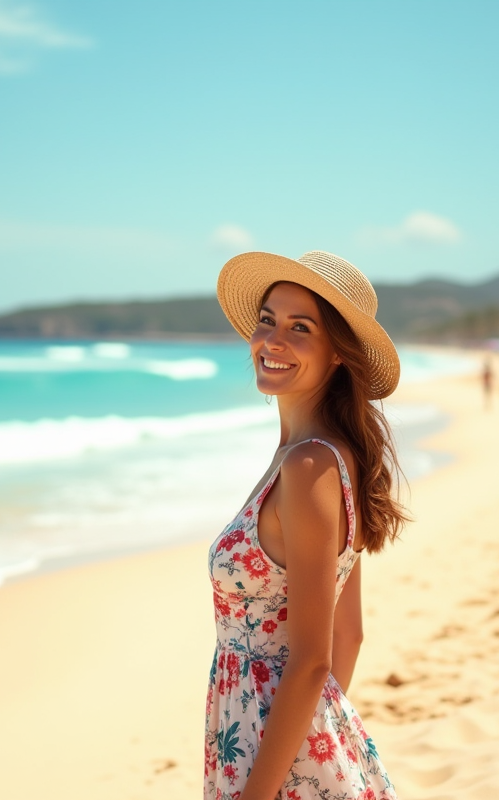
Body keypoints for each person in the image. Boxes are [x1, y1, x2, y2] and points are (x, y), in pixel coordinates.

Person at [206, 250, 405, 800]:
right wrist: (321, 738)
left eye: (300, 328)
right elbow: (349, 633)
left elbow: (315, 656)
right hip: (291, 740)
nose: (273, 340)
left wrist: (266, 786)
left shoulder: (308, 466)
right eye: (267, 320)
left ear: (338, 352)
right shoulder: (325, 458)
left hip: (271, 748)